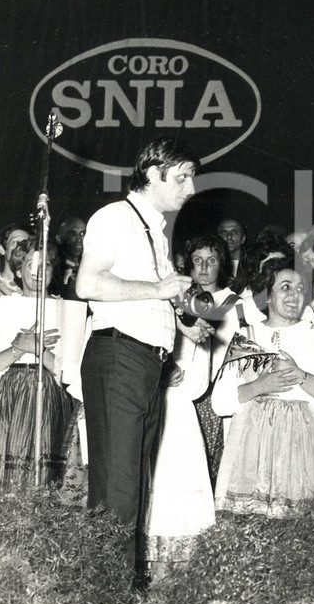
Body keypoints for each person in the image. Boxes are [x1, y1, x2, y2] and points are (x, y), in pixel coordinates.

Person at [76, 138, 210, 579]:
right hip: (119, 357)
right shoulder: (115, 218)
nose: (191, 188)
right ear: (153, 174)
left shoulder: (154, 230)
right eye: (183, 177)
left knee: (131, 489)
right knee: (118, 491)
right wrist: (158, 292)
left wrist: (181, 323)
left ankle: (117, 591)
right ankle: (109, 597)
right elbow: (87, 285)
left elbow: (145, 296)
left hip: (145, 364)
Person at [211, 259, 314, 517]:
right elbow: (220, 401)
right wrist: (260, 386)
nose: (294, 295)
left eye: (299, 288)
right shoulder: (248, 336)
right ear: (268, 296)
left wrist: (301, 376)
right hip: (252, 444)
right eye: (285, 287)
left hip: (301, 442)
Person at [140, 237, 229, 573]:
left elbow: (196, 384)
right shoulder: (148, 318)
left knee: (177, 502)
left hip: (178, 420)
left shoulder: (198, 316)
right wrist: (159, 370)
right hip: (148, 408)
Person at [0, 247, 76, 495]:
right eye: (30, 264)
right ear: (19, 271)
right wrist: (18, 348)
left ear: (54, 271)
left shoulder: (69, 313)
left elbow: (71, 373)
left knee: (44, 478)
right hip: (5, 403)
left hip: (50, 401)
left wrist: (40, 351)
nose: (38, 271)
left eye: (45, 265)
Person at [182, 233, 237, 486]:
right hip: (186, 386)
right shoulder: (180, 301)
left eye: (211, 260)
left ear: (221, 264)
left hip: (217, 389)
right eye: (198, 260)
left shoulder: (233, 302)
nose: (204, 267)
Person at [54, 216, 86, 300]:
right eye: (73, 234)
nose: (79, 239)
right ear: (59, 239)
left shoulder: (92, 266)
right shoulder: (55, 271)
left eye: (82, 234)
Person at [217, 217, 247, 283]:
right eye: (224, 233)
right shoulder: (213, 264)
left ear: (243, 239)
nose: (229, 237)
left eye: (234, 232)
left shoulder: (251, 264)